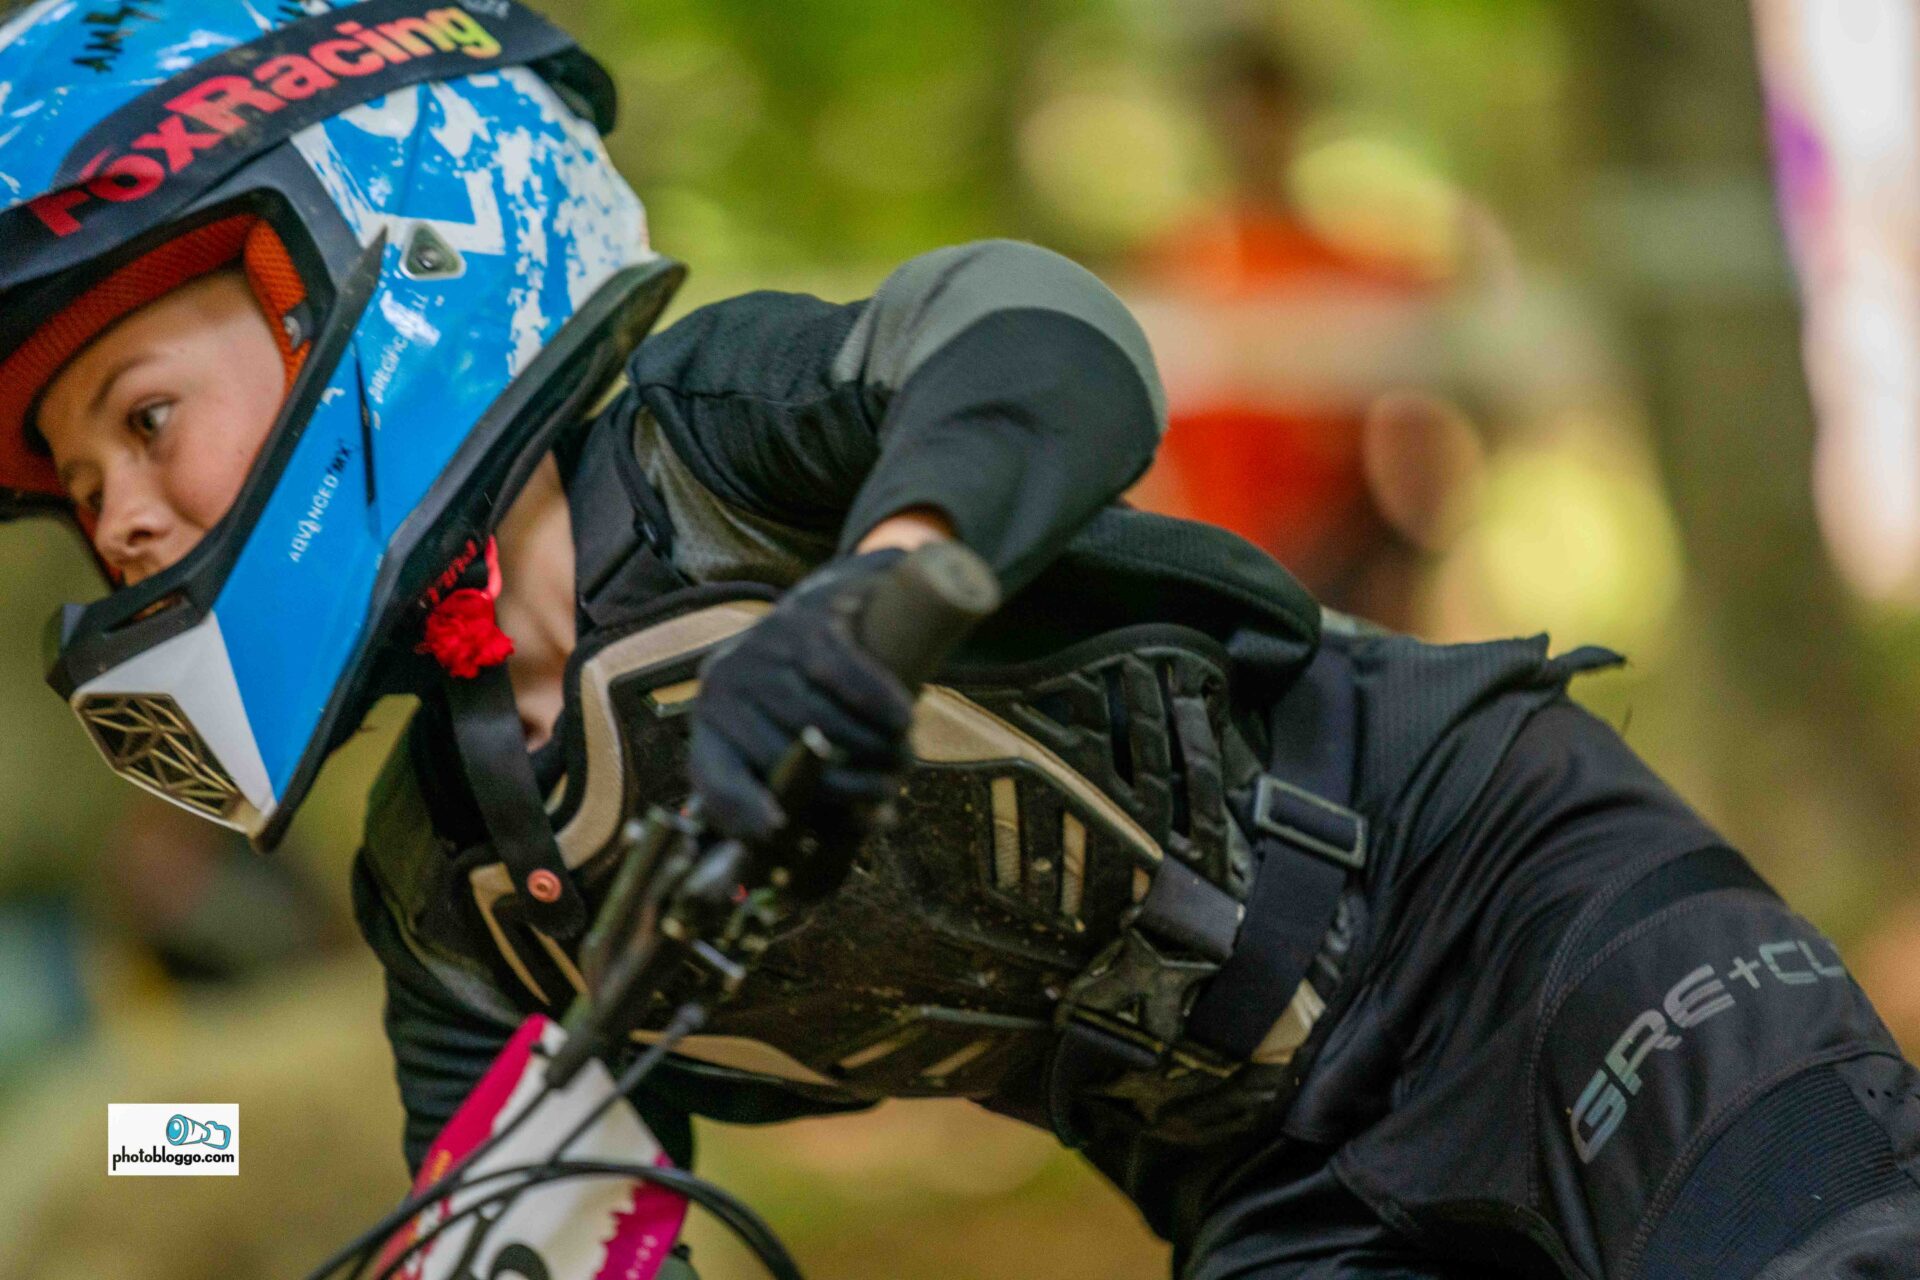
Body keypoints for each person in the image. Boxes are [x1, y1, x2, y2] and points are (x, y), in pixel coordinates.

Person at [0, 5, 1914, 1278]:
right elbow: (490, 1187)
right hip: (1263, 1175)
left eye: (145, 420)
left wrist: (884, 591)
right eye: (83, 489)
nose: (126, 520)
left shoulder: (707, 439)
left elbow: (1035, 332)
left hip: (1514, 909)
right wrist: (123, 1143)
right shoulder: (452, 889)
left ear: (374, 255)